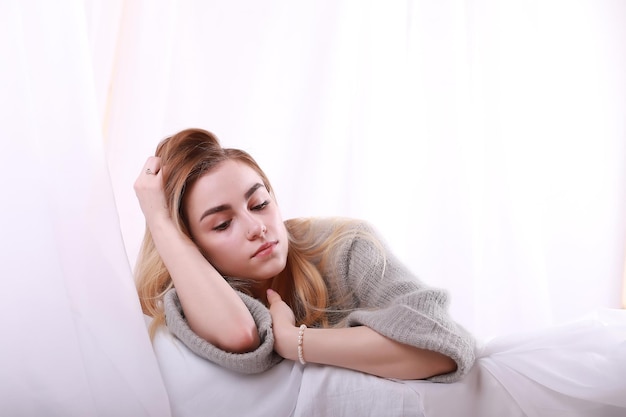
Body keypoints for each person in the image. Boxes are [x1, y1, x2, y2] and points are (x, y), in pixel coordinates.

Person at [134, 128, 475, 382]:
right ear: (189, 244)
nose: (257, 227)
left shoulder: (345, 246)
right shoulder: (193, 289)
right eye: (223, 224)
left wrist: (294, 340)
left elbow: (443, 344)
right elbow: (240, 336)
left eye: (260, 204)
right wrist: (161, 224)